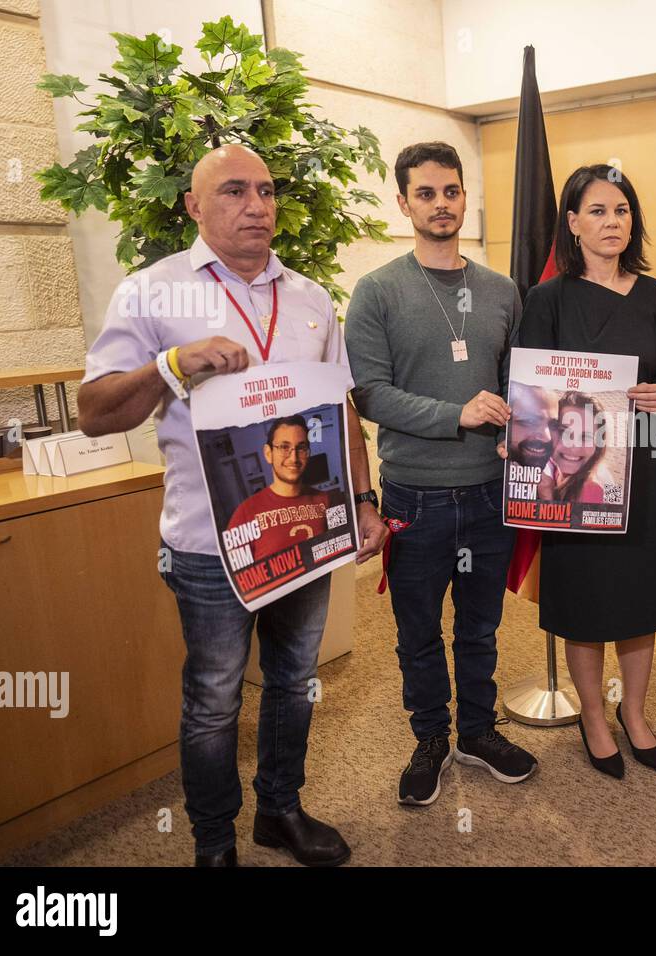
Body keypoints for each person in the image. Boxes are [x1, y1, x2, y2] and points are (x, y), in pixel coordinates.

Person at [78, 144, 386, 867]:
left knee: (295, 682)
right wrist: (171, 365)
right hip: (209, 545)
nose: (257, 205)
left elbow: (339, 410)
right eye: (234, 192)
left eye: (268, 191)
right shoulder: (152, 293)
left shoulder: (310, 297)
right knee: (214, 701)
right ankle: (213, 843)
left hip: (307, 530)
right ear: (193, 205)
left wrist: (364, 498)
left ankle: (280, 810)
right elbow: (94, 413)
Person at [345, 141, 537, 806]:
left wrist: (524, 431)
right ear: (403, 203)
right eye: (425, 194)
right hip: (414, 498)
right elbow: (368, 394)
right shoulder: (376, 292)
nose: (440, 204)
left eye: (450, 191)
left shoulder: (502, 291)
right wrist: (457, 413)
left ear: (464, 198)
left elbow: (521, 386)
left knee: (481, 628)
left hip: (489, 493)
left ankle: (477, 733)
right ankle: (430, 737)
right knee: (418, 632)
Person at [519, 164, 656, 779]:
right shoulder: (548, 299)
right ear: (573, 222)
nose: (611, 222)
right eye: (596, 210)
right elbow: (531, 391)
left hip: (644, 465)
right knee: (585, 597)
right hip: (578, 475)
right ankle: (593, 715)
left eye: (621, 210)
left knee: (640, 594)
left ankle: (634, 712)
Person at [225, 416, 342, 564]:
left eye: (301, 448)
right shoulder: (244, 514)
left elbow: (343, 556)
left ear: (308, 453)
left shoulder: (329, 501)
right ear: (268, 454)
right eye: (284, 447)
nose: (293, 458)